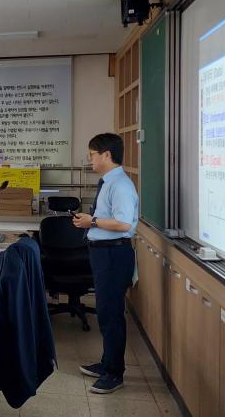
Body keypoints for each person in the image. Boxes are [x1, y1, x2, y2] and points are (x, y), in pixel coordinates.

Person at [72, 133, 139, 394]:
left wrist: (92, 222)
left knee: (111, 314)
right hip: (104, 253)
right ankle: (107, 362)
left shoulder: (120, 185)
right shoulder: (109, 182)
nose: (90, 159)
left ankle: (114, 373)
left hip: (113, 254)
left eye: (92, 155)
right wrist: (89, 221)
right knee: (105, 310)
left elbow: (123, 223)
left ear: (106, 155)